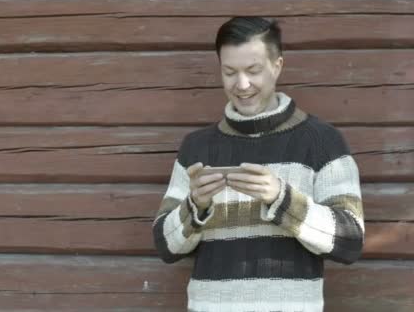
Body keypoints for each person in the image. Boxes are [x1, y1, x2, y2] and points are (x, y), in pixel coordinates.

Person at [152, 17, 364, 312]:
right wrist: (194, 206)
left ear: (277, 65)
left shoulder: (322, 142)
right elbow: (166, 246)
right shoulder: (196, 147)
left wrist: (282, 199)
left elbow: (350, 242)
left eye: (253, 71)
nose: (242, 85)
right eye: (229, 72)